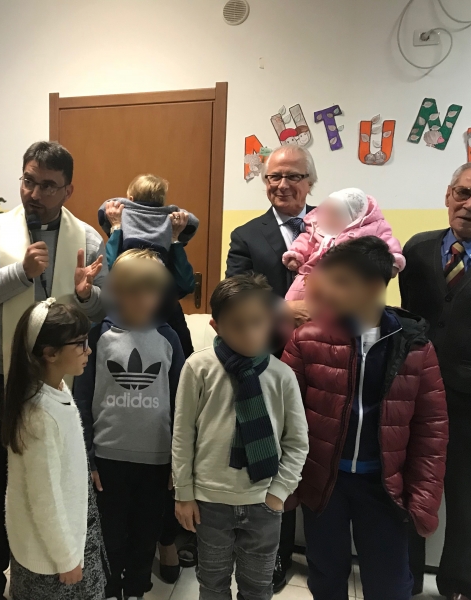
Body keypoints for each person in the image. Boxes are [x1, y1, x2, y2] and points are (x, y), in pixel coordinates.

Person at [0, 141, 106, 598]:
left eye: (48, 186)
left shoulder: (88, 239)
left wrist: (87, 296)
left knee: (50, 476)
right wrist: (19, 273)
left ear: (68, 190)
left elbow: (101, 312)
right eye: (28, 181)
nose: (34, 193)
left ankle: (48, 566)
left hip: (61, 382)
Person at [282, 237, 448, 600]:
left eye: (341, 281)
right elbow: (284, 417)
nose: (327, 290)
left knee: (389, 583)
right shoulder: (307, 340)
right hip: (324, 483)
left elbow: (431, 430)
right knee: (326, 576)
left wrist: (424, 496)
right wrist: (287, 483)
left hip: (384, 486)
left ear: (373, 287)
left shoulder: (415, 347)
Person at [172, 274, 309, 600]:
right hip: (210, 503)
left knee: (257, 588)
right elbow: (182, 434)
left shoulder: (282, 375)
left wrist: (279, 492)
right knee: (212, 585)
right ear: (216, 326)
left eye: (257, 323)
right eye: (237, 325)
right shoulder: (198, 368)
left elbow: (297, 441)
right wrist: (184, 493)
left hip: (263, 502)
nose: (249, 333)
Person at [225, 143, 317, 590]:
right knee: (275, 451)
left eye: (293, 176)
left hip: (325, 362)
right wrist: (284, 309)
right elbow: (237, 292)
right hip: (268, 360)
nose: (282, 185)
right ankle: (275, 556)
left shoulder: (334, 224)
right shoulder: (246, 235)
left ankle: (321, 553)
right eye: (273, 177)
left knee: (314, 450)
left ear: (310, 182)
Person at [99, 174, 198, 581]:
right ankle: (125, 559)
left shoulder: (173, 230)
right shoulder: (117, 226)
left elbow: (184, 284)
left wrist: (174, 240)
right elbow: (110, 277)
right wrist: (116, 228)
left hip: (166, 328)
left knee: (169, 431)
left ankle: (166, 541)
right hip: (123, 330)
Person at [73, 249, 185, 600]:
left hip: (156, 462)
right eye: (130, 289)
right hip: (108, 462)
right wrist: (89, 458)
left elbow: (182, 404)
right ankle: (109, 590)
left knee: (145, 534)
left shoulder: (169, 339)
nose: (140, 298)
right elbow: (82, 400)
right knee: (109, 535)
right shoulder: (97, 337)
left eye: (149, 289)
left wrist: (178, 463)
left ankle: (136, 589)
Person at [401, 161, 471, 600]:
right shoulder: (417, 249)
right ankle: (404, 577)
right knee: (409, 485)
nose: (470, 204)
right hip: (415, 391)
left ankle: (458, 585)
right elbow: (406, 317)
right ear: (448, 196)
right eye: (462, 193)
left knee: (468, 495)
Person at [2, 299, 105, 600]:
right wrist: (66, 558)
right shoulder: (39, 416)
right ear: (50, 353)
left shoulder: (56, 387)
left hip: (70, 530)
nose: (88, 350)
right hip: (51, 554)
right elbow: (44, 498)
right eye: (81, 344)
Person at [282, 187, 405, 301]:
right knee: (295, 298)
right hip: (310, 275)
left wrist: (392, 263)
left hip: (348, 281)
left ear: (353, 216)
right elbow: (304, 242)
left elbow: (389, 244)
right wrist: (295, 255)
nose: (329, 218)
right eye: (328, 213)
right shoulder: (319, 229)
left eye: (336, 214)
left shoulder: (369, 231)